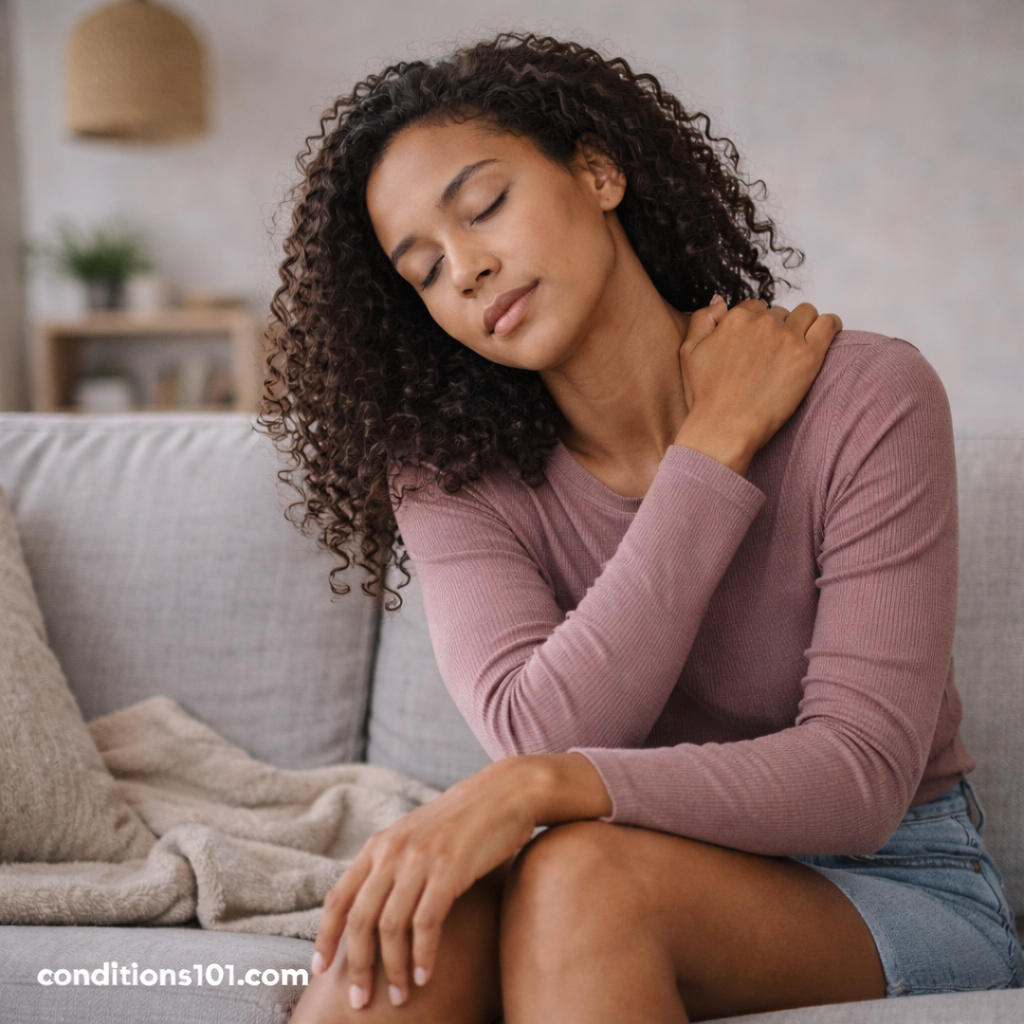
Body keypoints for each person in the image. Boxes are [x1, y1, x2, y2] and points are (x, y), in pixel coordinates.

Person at [264, 33, 1021, 1024]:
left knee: (583, 876)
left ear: (598, 170)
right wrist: (709, 450)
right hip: (601, 861)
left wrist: (538, 787)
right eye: (424, 269)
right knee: (415, 925)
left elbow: (858, 775)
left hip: (890, 879)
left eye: (484, 206)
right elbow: (540, 729)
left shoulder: (866, 397)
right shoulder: (450, 474)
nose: (470, 269)